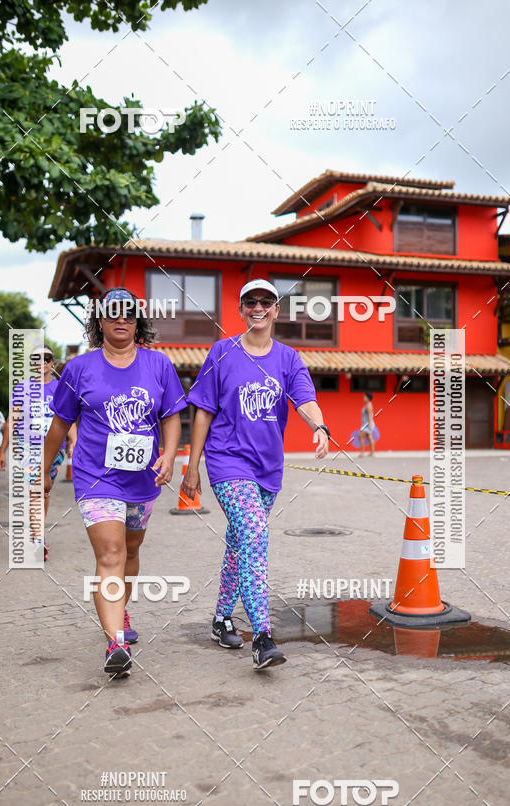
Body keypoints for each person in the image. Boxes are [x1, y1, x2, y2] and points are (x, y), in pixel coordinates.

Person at [181, 278, 330, 671]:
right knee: (254, 535)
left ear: (277, 310)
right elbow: (203, 411)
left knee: (238, 543)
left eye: (266, 301)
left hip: (268, 469)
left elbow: (306, 400)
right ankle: (262, 637)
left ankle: (220, 619)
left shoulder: (288, 359)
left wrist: (319, 426)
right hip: (227, 462)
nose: (258, 307)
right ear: (241, 309)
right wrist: (191, 466)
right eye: (251, 302)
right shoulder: (221, 352)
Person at [42, 287, 186, 678]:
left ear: (137, 320)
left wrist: (169, 455)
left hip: (143, 480)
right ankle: (115, 643)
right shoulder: (78, 368)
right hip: (96, 478)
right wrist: (44, 469)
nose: (121, 319)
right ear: (99, 321)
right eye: (112, 313)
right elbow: (60, 424)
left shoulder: (159, 366)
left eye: (128, 313)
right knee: (110, 554)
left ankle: (120, 607)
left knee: (132, 550)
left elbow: (172, 416)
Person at [0, 345, 77, 560]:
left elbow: (68, 420)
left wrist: (73, 444)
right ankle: (38, 536)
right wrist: (2, 451)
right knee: (36, 488)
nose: (41, 362)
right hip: (27, 445)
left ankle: (37, 533)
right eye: (36, 358)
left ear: (52, 362)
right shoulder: (22, 388)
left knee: (43, 490)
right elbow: (11, 421)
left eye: (46, 358)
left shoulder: (61, 388)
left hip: (54, 447)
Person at [359, 391, 375, 457]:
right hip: (366, 424)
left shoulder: (368, 405)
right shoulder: (368, 404)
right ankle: (372, 453)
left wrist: (369, 425)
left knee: (360, 436)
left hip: (367, 424)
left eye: (365, 396)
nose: (363, 398)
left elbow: (369, 415)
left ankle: (363, 452)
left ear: (368, 398)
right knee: (369, 437)